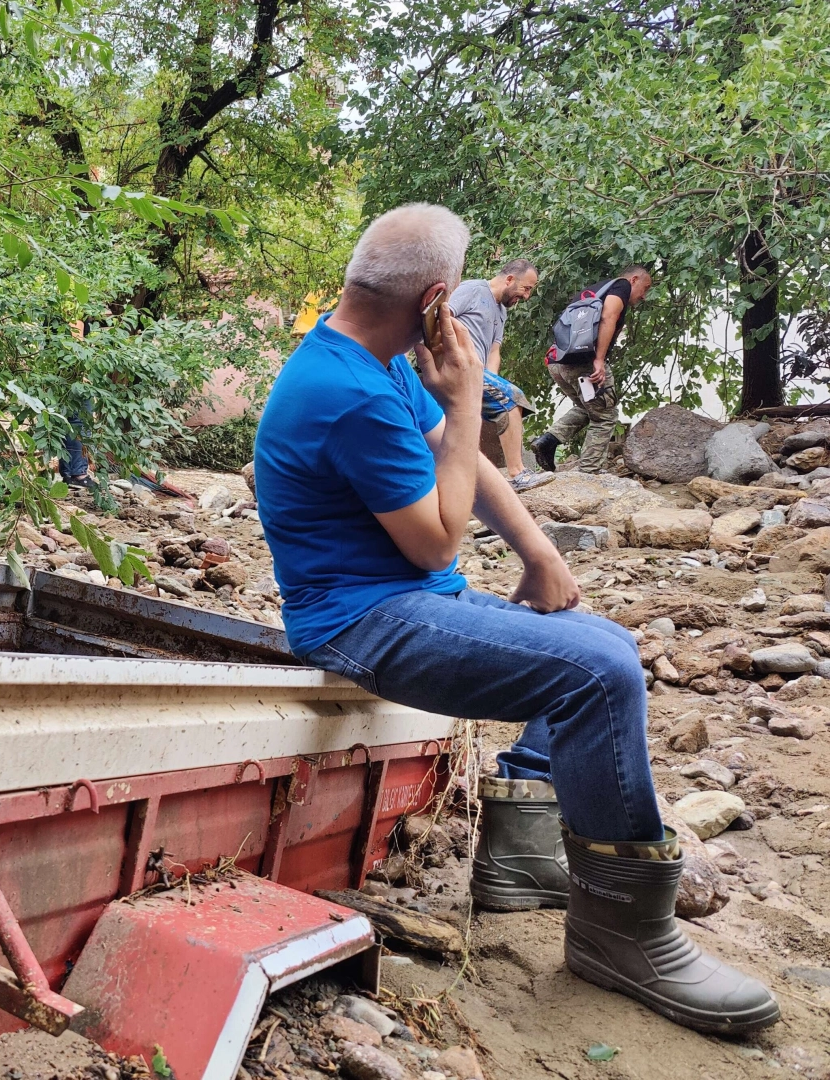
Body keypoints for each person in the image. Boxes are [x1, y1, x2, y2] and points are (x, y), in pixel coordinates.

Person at [253, 205, 777, 1035]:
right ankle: (622, 934)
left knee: (604, 641)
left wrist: (539, 554)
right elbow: (432, 542)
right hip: (360, 620)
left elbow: (465, 477)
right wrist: (467, 406)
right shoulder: (344, 390)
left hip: (415, 601)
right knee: (593, 674)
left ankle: (521, 855)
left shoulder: (370, 351)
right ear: (432, 298)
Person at [530, 267, 653, 474]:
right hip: (584, 363)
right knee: (605, 416)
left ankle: (548, 441)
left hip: (558, 362)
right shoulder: (620, 286)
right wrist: (599, 360)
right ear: (634, 279)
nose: (644, 296)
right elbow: (608, 317)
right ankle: (590, 471)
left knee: (586, 408)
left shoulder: (594, 291)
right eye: (645, 288)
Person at [448, 261, 551, 492]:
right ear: (509, 279)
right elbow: (442, 317)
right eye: (526, 289)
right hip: (454, 368)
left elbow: (494, 351)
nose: (526, 296)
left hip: (477, 374)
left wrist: (491, 382)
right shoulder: (473, 289)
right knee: (512, 396)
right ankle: (517, 474)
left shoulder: (501, 311)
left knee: (503, 396)